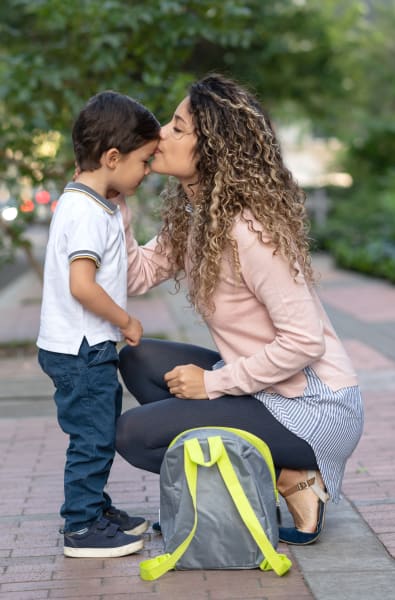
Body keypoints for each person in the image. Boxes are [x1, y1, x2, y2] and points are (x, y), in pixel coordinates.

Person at [115, 74, 364, 545]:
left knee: (133, 435)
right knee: (137, 358)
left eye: (178, 127)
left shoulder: (249, 231)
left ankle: (282, 475)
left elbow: (305, 341)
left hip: (313, 409)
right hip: (265, 388)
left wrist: (212, 384)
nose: (160, 134)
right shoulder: (197, 217)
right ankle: (281, 476)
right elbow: (136, 275)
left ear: (210, 149)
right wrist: (115, 202)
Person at [37, 91, 160, 558]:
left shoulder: (93, 201)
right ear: (112, 157)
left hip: (80, 345)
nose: (147, 172)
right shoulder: (86, 212)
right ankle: (82, 527)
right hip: (82, 348)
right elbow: (82, 286)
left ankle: (94, 506)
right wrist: (126, 319)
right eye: (144, 161)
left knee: (96, 431)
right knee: (92, 437)